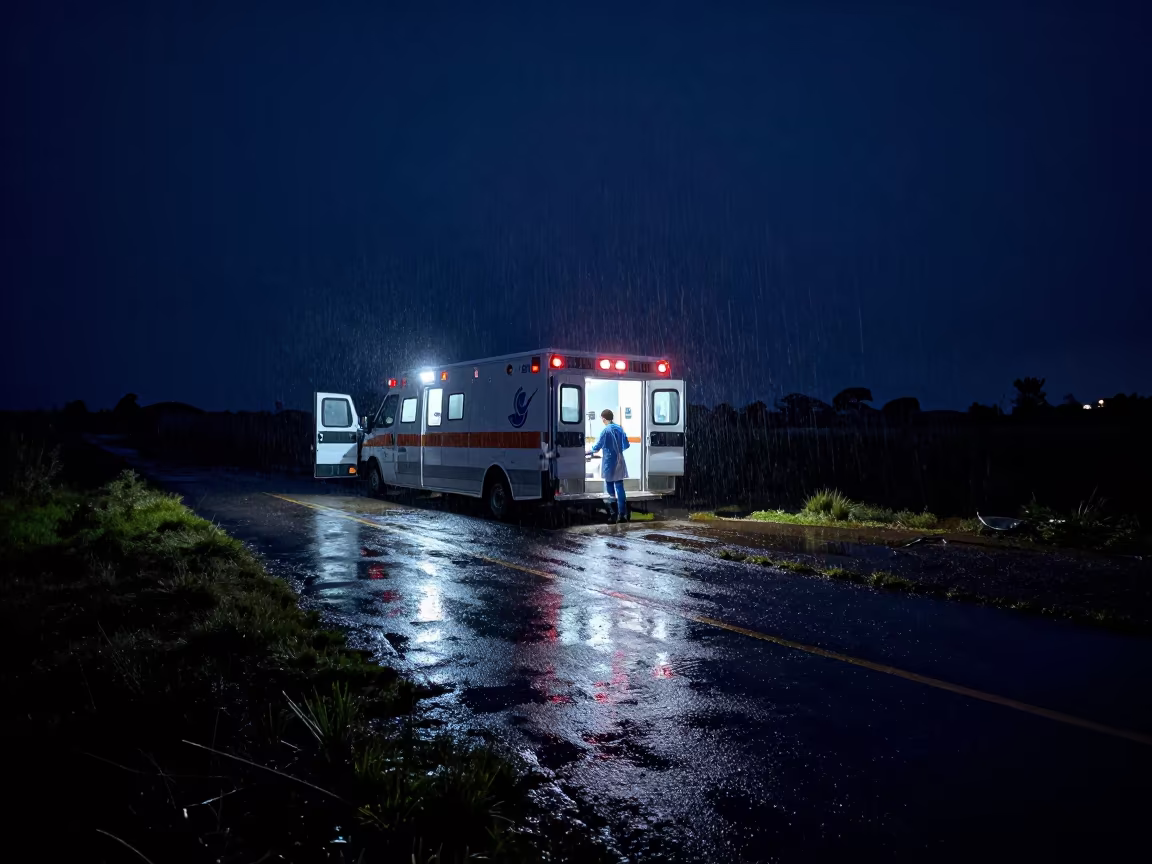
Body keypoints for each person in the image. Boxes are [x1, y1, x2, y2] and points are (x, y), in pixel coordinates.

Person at [588, 408, 630, 523]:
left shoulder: (605, 431)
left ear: (603, 418)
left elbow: (597, 447)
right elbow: (626, 445)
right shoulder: (620, 429)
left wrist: (587, 451)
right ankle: (622, 516)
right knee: (620, 487)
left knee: (610, 488)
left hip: (609, 462)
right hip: (620, 461)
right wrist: (618, 450)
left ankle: (612, 515)